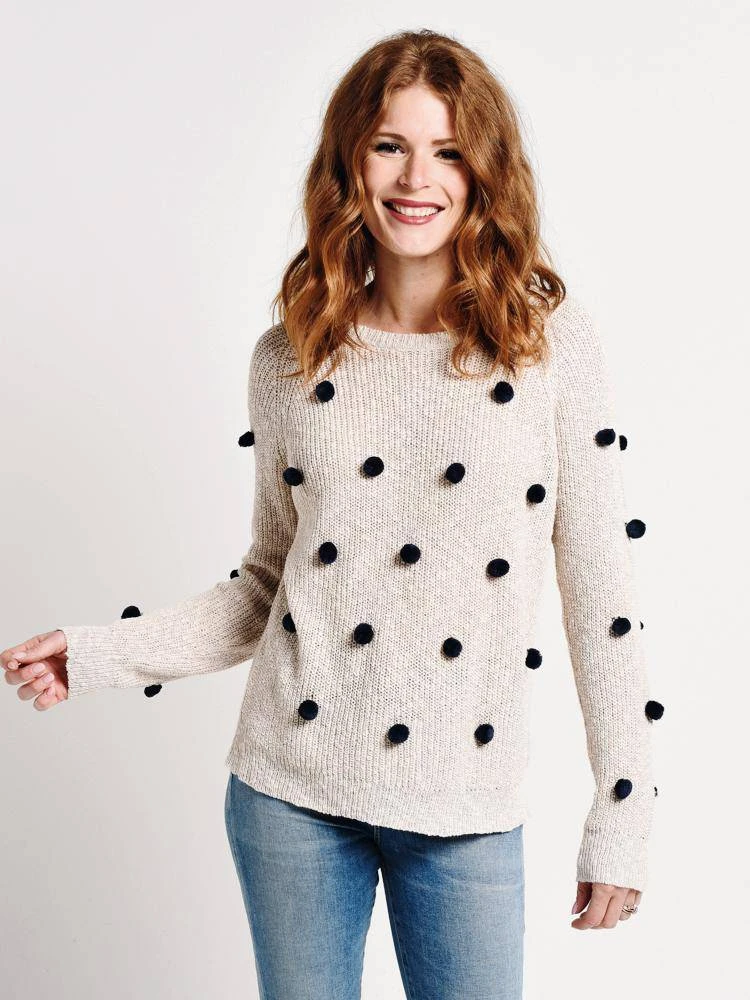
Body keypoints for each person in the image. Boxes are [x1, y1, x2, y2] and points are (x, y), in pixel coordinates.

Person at [2, 28, 663, 1000]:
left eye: (448, 151)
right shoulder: (292, 356)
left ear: (484, 171)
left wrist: (624, 813)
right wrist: (98, 653)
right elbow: (269, 585)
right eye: (390, 145)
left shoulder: (548, 347)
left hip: (465, 801)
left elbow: (602, 592)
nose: (416, 178)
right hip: (291, 793)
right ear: (351, 160)